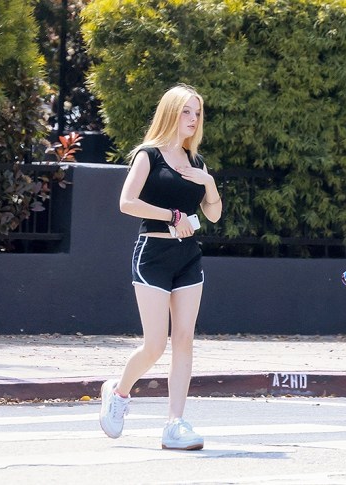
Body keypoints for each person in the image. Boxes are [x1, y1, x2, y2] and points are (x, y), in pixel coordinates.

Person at [99, 83, 222, 450]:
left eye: (197, 113)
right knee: (155, 344)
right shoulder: (148, 156)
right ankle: (119, 394)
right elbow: (127, 202)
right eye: (186, 111)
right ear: (170, 112)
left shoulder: (196, 163)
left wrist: (210, 183)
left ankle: (175, 424)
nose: (192, 119)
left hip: (188, 258)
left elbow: (213, 214)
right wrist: (172, 215)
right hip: (152, 253)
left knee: (184, 339)